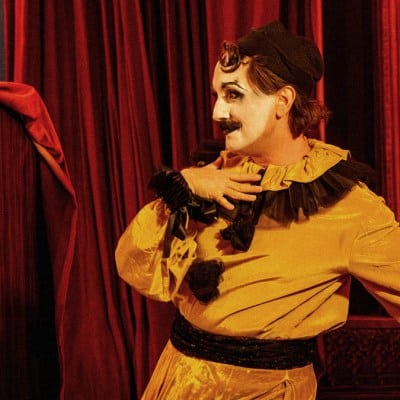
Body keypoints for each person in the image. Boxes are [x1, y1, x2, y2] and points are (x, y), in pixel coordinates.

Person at [115, 20, 400, 399]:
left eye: (233, 95)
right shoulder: (216, 171)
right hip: (177, 379)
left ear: (283, 100)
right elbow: (138, 268)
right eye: (217, 95)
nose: (217, 112)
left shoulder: (350, 207)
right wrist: (183, 189)